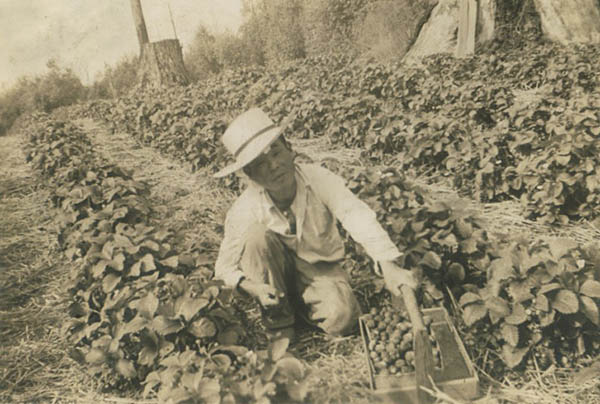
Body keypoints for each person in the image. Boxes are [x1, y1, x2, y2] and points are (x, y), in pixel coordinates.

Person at [213, 108, 417, 342]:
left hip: (319, 269)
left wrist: (387, 263)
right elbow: (224, 268)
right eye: (260, 164)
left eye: (276, 152)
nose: (274, 166)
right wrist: (252, 288)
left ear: (290, 150)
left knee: (344, 317)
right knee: (257, 237)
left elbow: (355, 214)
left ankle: (304, 307)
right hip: (271, 276)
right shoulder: (244, 208)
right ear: (251, 175)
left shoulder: (320, 179)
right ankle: (279, 321)